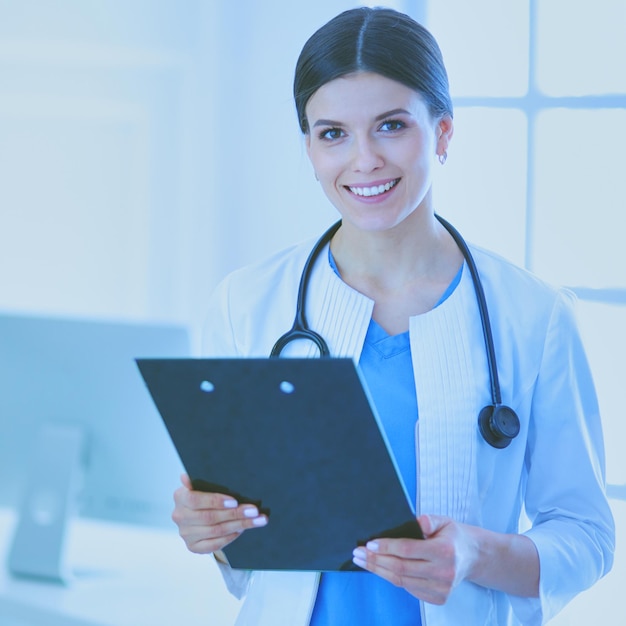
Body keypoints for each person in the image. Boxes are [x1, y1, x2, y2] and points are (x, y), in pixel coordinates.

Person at [171, 7, 615, 625]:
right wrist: (214, 530)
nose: (365, 160)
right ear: (308, 146)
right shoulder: (246, 306)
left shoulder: (533, 316)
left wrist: (474, 553)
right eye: (332, 133)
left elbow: (587, 537)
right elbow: (247, 562)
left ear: (443, 133)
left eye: (391, 125)